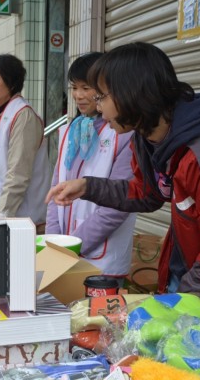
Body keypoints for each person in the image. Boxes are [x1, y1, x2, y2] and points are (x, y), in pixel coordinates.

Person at [46, 42, 200, 326]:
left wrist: (175, 306)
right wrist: (88, 187)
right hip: (199, 267)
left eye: (103, 96)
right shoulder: (149, 137)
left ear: (132, 94)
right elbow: (146, 193)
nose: (98, 105)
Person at [46, 52, 137, 276]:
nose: (78, 95)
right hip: (61, 253)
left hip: (102, 264)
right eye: (74, 87)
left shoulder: (125, 134)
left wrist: (72, 246)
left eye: (86, 88)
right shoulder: (70, 130)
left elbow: (118, 205)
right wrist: (52, 240)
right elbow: (55, 190)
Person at [0, 54, 50, 225]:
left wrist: (0, 217)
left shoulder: (22, 115)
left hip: (21, 218)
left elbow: (18, 174)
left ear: (11, 82)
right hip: (0, 214)